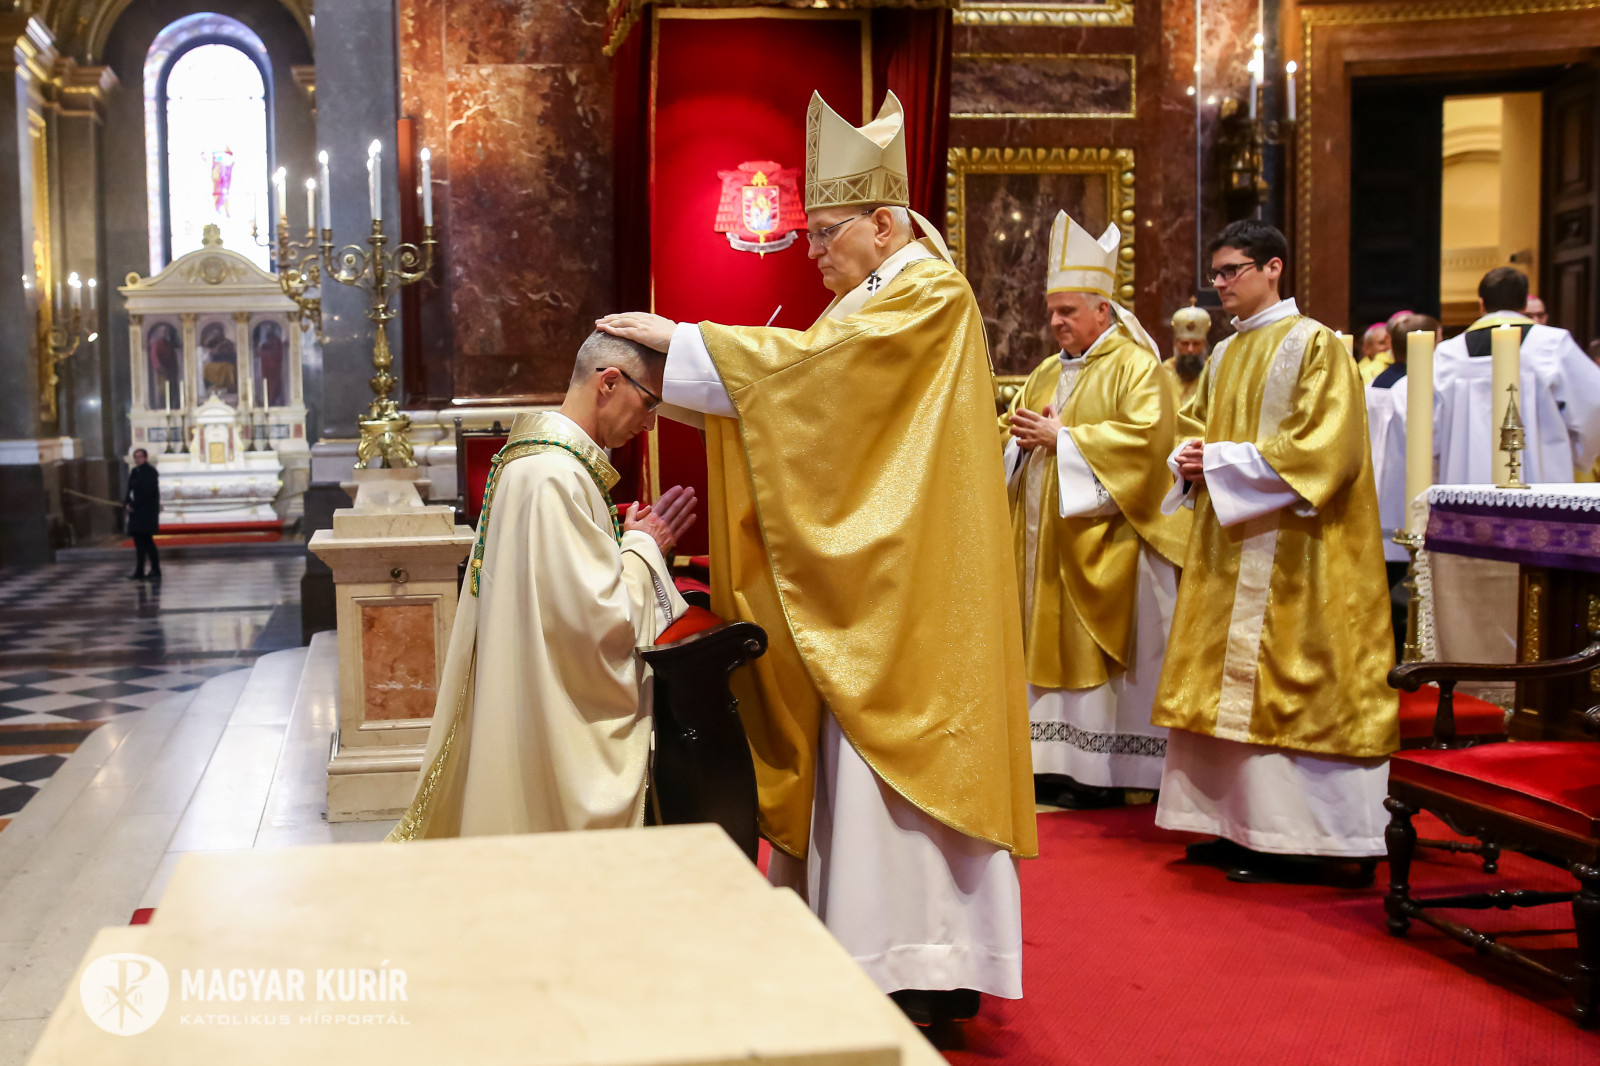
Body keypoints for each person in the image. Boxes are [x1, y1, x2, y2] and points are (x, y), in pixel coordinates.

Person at [596, 90, 1035, 1027]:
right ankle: (884, 954)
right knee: (862, 785)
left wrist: (683, 347)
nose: (813, 251)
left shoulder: (925, 292)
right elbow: (815, 400)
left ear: (886, 223)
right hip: (881, 579)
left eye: (827, 231)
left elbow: (817, 389)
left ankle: (924, 962)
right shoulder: (876, 297)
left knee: (900, 783)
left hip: (908, 596)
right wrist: (700, 369)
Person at [1153, 219, 1398, 885]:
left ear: (1274, 269)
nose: (1221, 285)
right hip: (1233, 549)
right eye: (1217, 273)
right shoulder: (1227, 355)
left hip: (1302, 553)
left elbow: (1330, 449)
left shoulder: (1314, 345)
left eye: (1233, 271)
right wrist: (1189, 458)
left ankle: (1324, 843)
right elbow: (1199, 428)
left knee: (1298, 680)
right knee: (1228, 687)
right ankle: (1238, 826)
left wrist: (1224, 461)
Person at [387, 331, 697, 841]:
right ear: (610, 382)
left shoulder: (540, 463)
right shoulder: (555, 475)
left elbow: (563, 602)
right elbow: (598, 624)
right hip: (551, 717)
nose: (649, 422)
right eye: (649, 402)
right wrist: (645, 547)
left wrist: (625, 546)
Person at [1002, 211, 1189, 809]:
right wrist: (1018, 443)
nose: (1055, 322)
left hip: (1106, 547)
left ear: (1102, 311)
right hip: (1043, 548)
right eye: (1051, 310)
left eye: (1068, 311)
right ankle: (1048, 763)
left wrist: (1068, 442)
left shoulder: (1138, 368)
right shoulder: (1044, 373)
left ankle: (1100, 771)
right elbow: (1018, 439)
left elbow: (1149, 445)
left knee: (1092, 653)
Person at [1425, 266, 1600, 480]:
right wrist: (1580, 455)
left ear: (1481, 304)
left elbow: (1427, 423)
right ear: (1524, 303)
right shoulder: (1551, 344)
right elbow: (1593, 404)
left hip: (1465, 478)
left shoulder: (1448, 352)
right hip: (1540, 479)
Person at [125, 449, 162, 582]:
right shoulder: (135, 472)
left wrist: (134, 505)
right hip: (136, 513)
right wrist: (127, 503)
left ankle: (155, 570)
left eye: (140, 457)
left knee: (148, 542)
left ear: (145, 458)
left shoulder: (150, 472)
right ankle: (140, 571)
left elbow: (147, 493)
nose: (137, 460)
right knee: (139, 543)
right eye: (135, 457)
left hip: (146, 513)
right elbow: (130, 490)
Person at [1166, 298, 1210, 406]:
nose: (1190, 349)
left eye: (1196, 344)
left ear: (1204, 344)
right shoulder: (1163, 373)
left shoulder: (1213, 373)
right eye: (1185, 344)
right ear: (1175, 344)